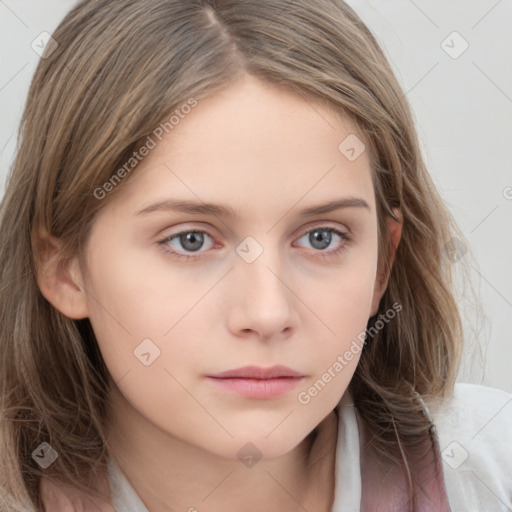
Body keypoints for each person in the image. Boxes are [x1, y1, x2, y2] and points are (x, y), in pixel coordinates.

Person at [0, 1, 510, 511]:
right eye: (190, 240)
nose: (267, 314)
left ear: (383, 263)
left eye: (321, 238)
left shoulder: (492, 467)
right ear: (63, 268)